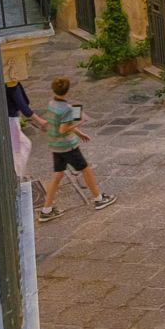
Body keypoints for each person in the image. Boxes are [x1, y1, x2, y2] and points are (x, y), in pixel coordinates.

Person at [38, 77, 116, 222]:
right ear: (67, 90)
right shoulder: (67, 109)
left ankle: (46, 210)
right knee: (86, 169)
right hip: (68, 146)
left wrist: (80, 133)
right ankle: (98, 199)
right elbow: (63, 129)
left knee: (57, 175)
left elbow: (56, 125)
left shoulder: (52, 104)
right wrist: (81, 121)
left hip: (56, 146)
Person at [4, 77, 46, 180]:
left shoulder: (8, 81)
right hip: (10, 122)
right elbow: (24, 108)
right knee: (17, 151)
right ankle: (17, 180)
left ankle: (19, 175)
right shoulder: (11, 83)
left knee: (24, 145)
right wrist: (40, 121)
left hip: (7, 120)